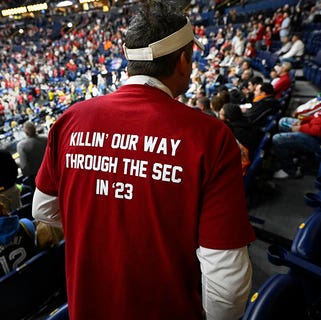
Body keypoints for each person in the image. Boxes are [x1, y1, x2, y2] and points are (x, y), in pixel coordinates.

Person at [32, 1, 256, 319]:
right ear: (183, 60)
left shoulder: (70, 119)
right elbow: (227, 283)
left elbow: (43, 210)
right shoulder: (211, 136)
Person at [16, 122, 47, 188]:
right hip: (49, 171)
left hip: (35, 178)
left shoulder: (21, 145)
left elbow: (24, 167)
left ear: (25, 132)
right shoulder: (45, 138)